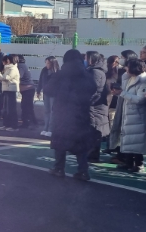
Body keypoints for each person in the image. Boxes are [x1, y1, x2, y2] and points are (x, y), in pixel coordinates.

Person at [44, 49, 98, 181]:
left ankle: (59, 168)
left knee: (60, 141)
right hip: (82, 113)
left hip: (63, 113)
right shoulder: (86, 74)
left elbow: (48, 90)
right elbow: (94, 88)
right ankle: (83, 171)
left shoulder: (61, 74)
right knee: (81, 143)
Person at [109, 59, 146, 173]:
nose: (125, 68)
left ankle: (139, 164)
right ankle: (128, 162)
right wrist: (120, 92)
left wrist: (122, 93)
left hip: (138, 114)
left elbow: (140, 99)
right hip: (128, 112)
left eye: (127, 66)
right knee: (128, 138)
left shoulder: (144, 80)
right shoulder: (129, 77)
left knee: (137, 140)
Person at [86, 53, 110, 162]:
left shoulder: (95, 72)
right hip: (97, 105)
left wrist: (87, 101)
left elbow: (94, 89)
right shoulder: (97, 70)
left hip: (95, 106)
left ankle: (92, 155)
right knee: (94, 130)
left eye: (87, 58)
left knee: (94, 130)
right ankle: (91, 154)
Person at [0, 54, 20, 131]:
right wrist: (0, 78)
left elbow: (5, 78)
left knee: (11, 109)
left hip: (11, 91)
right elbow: (4, 79)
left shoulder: (13, 69)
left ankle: (14, 126)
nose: (6, 61)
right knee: (5, 109)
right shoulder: (8, 68)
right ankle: (6, 124)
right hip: (6, 90)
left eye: (8, 59)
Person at [37, 56, 59, 137]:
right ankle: (45, 128)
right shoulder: (44, 70)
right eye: (46, 63)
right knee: (47, 111)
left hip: (54, 94)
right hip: (46, 93)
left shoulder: (57, 72)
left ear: (53, 63)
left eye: (48, 63)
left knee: (53, 112)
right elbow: (40, 80)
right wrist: (38, 91)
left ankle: (51, 129)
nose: (47, 65)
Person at [17, 55, 36, 129]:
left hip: (27, 88)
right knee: (28, 106)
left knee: (26, 106)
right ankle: (32, 122)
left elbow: (19, 76)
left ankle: (27, 123)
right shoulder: (23, 65)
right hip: (29, 88)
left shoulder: (20, 66)